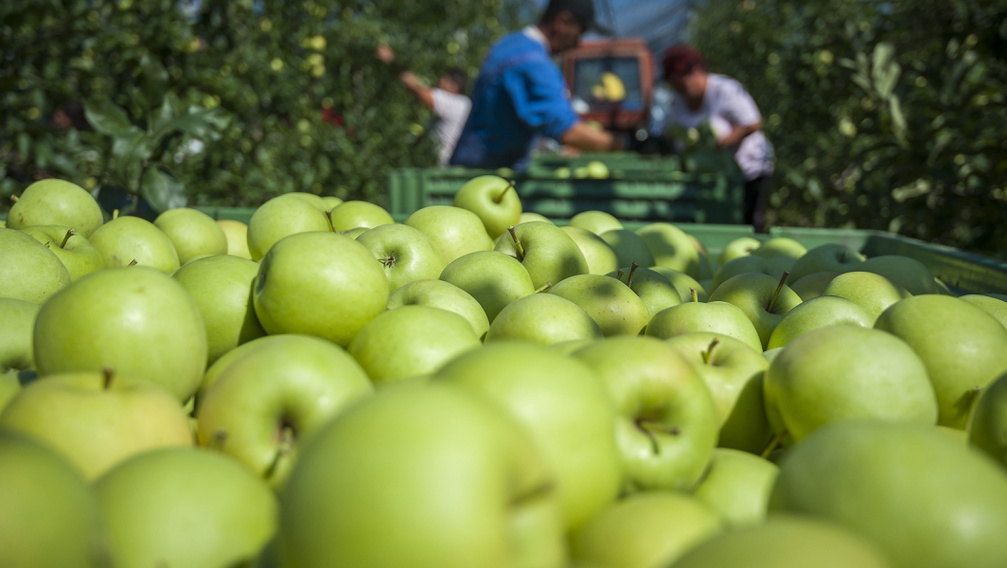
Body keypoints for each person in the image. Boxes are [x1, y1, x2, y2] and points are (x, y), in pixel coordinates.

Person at [449, 0, 620, 171]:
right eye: (578, 33)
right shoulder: (533, 63)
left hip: (470, 163)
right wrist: (622, 143)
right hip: (485, 171)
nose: (577, 44)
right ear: (562, 22)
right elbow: (566, 129)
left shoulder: (510, 44)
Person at [660, 44, 775, 233]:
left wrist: (719, 143)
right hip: (710, 179)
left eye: (682, 84)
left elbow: (752, 123)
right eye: (675, 87)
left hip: (746, 172)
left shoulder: (725, 90)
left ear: (697, 72)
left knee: (747, 224)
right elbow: (670, 131)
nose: (680, 90)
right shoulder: (677, 100)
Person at [376, 44, 472, 166]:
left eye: (444, 80)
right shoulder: (461, 105)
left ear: (455, 85)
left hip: (447, 173)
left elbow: (419, 91)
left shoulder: (457, 103)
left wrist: (392, 62)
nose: (439, 81)